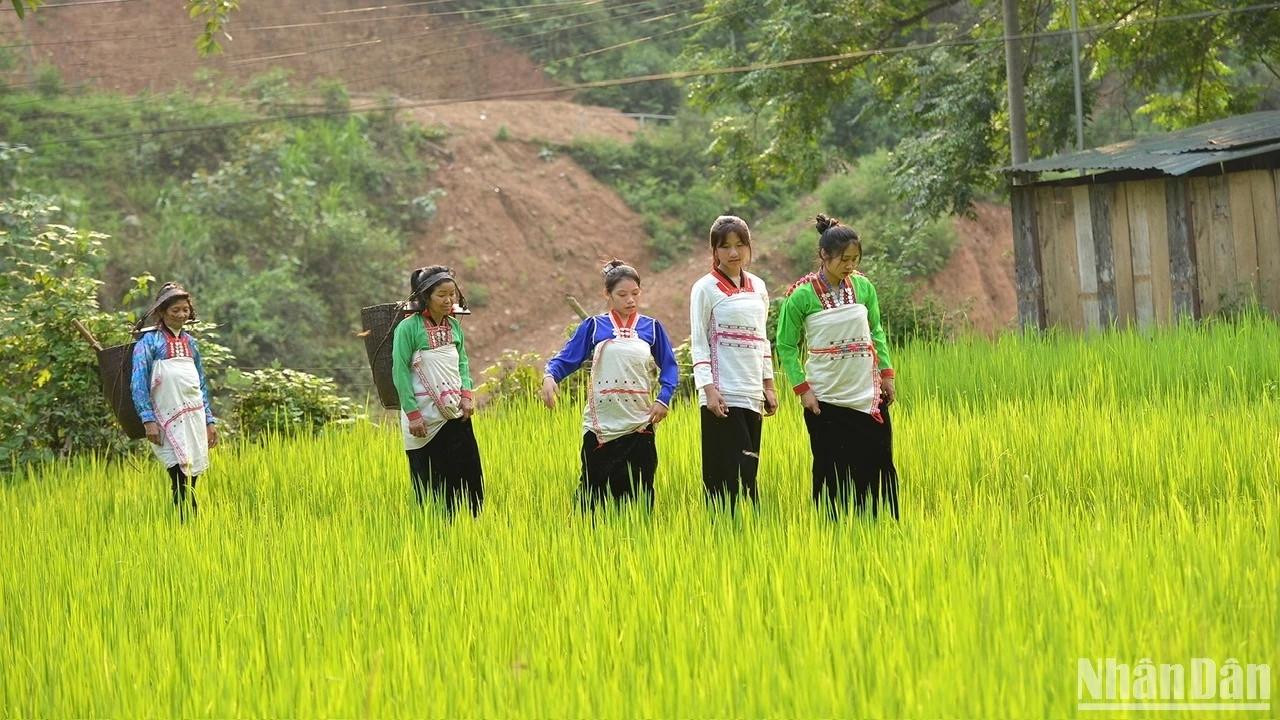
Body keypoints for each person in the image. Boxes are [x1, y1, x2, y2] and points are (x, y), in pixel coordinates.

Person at [775, 215, 900, 520]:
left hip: (866, 394)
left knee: (877, 461)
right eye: (844, 259)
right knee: (832, 467)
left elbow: (876, 331)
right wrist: (803, 390)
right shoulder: (802, 295)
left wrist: (887, 374)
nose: (850, 265)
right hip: (826, 399)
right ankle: (835, 534)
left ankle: (879, 528)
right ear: (824, 255)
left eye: (855, 259)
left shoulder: (863, 287)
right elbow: (786, 345)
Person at [541, 260, 679, 511]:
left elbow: (670, 366)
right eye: (622, 295)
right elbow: (566, 359)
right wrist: (550, 377)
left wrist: (663, 398)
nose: (630, 300)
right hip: (601, 426)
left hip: (640, 424)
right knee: (593, 497)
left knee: (640, 496)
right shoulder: (594, 326)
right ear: (607, 295)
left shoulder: (652, 328)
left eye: (635, 294)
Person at [689, 215, 777, 511]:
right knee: (724, 476)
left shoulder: (759, 288)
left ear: (749, 247)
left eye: (740, 245)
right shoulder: (705, 288)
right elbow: (699, 341)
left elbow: (763, 339)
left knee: (749, 472)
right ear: (714, 251)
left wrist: (769, 385)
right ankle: (720, 537)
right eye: (725, 246)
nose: (734, 253)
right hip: (723, 394)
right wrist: (709, 389)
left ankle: (747, 537)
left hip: (752, 392)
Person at [391, 265, 484, 517]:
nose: (448, 300)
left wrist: (466, 396)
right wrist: (413, 414)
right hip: (424, 419)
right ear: (425, 297)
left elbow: (462, 362)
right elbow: (399, 371)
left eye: (452, 294)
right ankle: (434, 532)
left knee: (467, 475)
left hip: (455, 413)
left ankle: (471, 527)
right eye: (441, 295)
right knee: (432, 482)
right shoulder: (408, 329)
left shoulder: (454, 326)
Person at [130, 282, 218, 519]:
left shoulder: (191, 343)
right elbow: (138, 383)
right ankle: (186, 520)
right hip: (165, 418)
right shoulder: (148, 343)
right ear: (161, 312)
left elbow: (199, 383)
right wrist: (147, 419)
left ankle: (188, 521)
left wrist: (209, 421)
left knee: (192, 472)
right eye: (175, 310)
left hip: (193, 415)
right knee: (178, 473)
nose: (181, 315)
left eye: (185, 310)